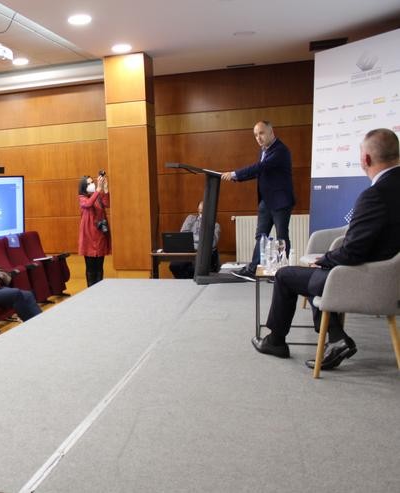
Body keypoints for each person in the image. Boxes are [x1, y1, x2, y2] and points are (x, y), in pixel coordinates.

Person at [251, 128, 400, 370]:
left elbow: (352, 252)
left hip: (363, 280)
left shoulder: (375, 195)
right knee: (313, 279)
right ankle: (336, 337)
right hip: (390, 280)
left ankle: (276, 341)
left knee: (286, 275)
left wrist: (324, 259)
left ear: (366, 160)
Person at [222, 121, 295, 281]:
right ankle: (253, 269)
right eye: (255, 135)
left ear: (271, 132)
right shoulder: (263, 151)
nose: (258, 138)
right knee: (260, 236)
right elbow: (259, 172)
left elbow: (260, 167)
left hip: (280, 202)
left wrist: (235, 173)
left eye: (261, 133)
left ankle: (280, 272)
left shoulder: (280, 150)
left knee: (281, 237)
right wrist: (237, 179)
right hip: (266, 202)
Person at [169, 201, 221, 279]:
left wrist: (193, 238)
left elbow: (212, 243)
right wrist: (200, 239)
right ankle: (185, 284)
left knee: (195, 268)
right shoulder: (190, 219)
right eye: (200, 212)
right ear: (198, 210)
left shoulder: (215, 225)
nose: (201, 215)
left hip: (202, 254)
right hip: (188, 252)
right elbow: (183, 236)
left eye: (204, 212)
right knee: (174, 265)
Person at [78, 172, 110, 287]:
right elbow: (88, 204)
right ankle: (90, 290)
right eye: (90, 183)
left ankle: (100, 290)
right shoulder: (82, 198)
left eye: (93, 182)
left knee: (99, 267)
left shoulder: (97, 196)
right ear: (84, 187)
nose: (92, 184)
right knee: (91, 268)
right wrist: (98, 189)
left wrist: (105, 188)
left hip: (100, 234)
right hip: (89, 236)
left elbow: (107, 203)